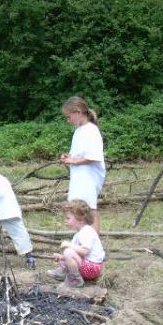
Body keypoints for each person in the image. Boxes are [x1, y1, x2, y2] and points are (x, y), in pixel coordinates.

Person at [61, 96, 105, 233]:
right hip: (79, 177)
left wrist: (74, 161)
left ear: (78, 112)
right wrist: (69, 158)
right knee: (75, 208)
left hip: (89, 177)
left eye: (69, 117)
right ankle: (83, 239)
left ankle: (94, 244)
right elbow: (79, 154)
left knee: (90, 209)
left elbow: (94, 156)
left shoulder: (91, 130)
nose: (68, 120)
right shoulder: (78, 131)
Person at [46, 199, 105, 288]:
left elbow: (85, 251)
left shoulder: (87, 232)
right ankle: (63, 273)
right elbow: (76, 254)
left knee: (68, 251)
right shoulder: (79, 234)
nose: (65, 221)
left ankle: (75, 280)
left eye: (68, 218)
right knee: (68, 252)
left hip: (92, 269)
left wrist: (69, 245)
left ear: (80, 218)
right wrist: (61, 257)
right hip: (87, 265)